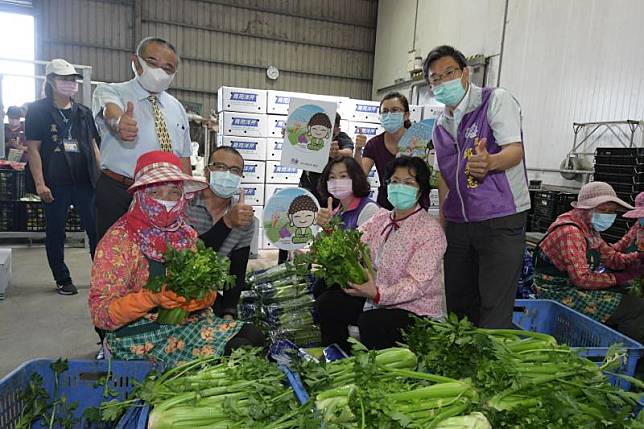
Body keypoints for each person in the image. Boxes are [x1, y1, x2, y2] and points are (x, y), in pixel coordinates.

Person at [89, 151, 264, 367]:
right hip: (138, 335)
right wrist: (151, 297)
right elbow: (101, 315)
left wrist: (197, 299)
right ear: (141, 195)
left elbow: (207, 290)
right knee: (237, 350)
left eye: (173, 192)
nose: (165, 201)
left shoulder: (185, 234)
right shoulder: (118, 241)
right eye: (156, 192)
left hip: (185, 324)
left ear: (182, 196)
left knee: (254, 336)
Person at [423, 45, 530, 328]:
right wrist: (442, 226)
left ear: (465, 73)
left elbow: (514, 150)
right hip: (459, 223)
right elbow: (444, 177)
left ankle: (492, 367)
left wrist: (490, 162)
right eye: (435, 78)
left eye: (450, 73)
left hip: (499, 217)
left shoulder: (494, 100)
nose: (443, 81)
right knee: (458, 303)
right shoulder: (440, 125)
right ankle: (463, 364)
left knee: (493, 305)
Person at [316, 156, 446, 352]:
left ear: (421, 189)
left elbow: (416, 285)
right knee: (329, 303)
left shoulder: (430, 230)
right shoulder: (381, 218)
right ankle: (337, 358)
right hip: (375, 298)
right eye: (395, 181)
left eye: (408, 183)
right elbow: (351, 245)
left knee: (372, 322)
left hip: (415, 309)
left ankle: (380, 372)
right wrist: (328, 229)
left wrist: (378, 294)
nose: (400, 187)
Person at [92, 36, 192, 242]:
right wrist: (119, 122)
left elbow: (183, 157)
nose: (159, 71)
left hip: (162, 196)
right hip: (119, 192)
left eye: (168, 68)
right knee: (112, 255)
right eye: (153, 63)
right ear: (136, 62)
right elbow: (111, 111)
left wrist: (184, 196)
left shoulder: (177, 108)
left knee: (157, 257)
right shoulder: (111, 91)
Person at [25, 58, 100, 296]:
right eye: (64, 79)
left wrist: (101, 176)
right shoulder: (38, 110)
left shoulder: (83, 113)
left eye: (72, 80)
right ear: (51, 81)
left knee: (96, 230)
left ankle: (101, 276)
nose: (69, 84)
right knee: (56, 231)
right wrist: (40, 183)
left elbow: (93, 145)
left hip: (84, 181)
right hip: (55, 182)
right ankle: (62, 278)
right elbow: (33, 148)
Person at [533, 182, 644, 343]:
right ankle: (624, 355)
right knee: (636, 308)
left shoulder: (589, 229)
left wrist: (636, 257)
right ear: (585, 209)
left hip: (571, 286)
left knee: (626, 295)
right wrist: (618, 278)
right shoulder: (571, 232)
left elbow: (612, 258)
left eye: (611, 211)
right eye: (603, 210)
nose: (608, 215)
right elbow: (582, 279)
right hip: (557, 293)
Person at [187, 146, 255, 320]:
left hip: (207, 295)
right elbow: (187, 260)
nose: (227, 174)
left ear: (241, 178)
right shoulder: (185, 204)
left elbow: (237, 271)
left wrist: (229, 312)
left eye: (235, 171)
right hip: (173, 293)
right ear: (207, 171)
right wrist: (227, 223)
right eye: (220, 167)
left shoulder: (245, 218)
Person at [354, 92, 412, 210]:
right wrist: (358, 149)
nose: (389, 115)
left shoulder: (419, 142)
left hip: (413, 203)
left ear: (406, 115)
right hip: (386, 205)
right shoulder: (374, 144)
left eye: (395, 110)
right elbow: (360, 175)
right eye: (385, 111)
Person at [315, 155, 379, 230]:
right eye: (332, 177)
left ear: (356, 177)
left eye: (343, 176)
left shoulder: (369, 209)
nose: (337, 181)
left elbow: (364, 241)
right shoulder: (336, 212)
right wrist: (326, 227)